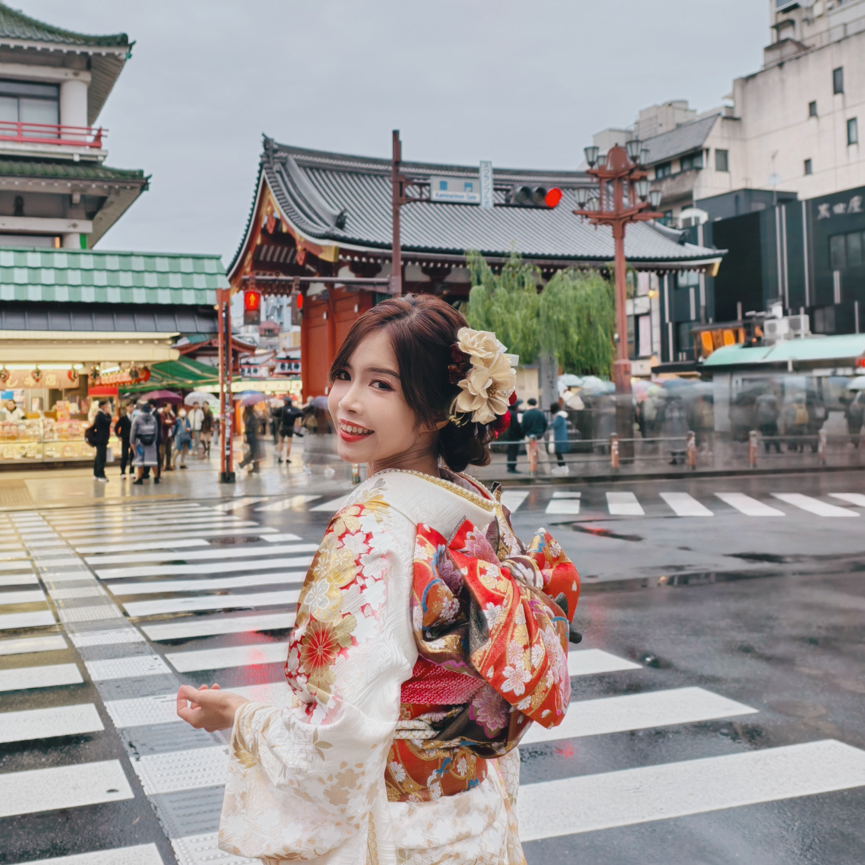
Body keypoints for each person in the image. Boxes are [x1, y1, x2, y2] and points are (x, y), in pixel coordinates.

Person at [175, 295, 580, 863]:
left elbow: (337, 738)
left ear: (440, 408)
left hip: (397, 833)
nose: (349, 402)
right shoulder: (475, 509)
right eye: (345, 376)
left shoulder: (372, 533)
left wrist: (240, 717)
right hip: (471, 819)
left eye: (382, 385)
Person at [130, 401, 161, 484]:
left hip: (140, 442)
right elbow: (156, 431)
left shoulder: (137, 418)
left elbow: (133, 431)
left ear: (141, 409)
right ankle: (156, 478)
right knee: (153, 461)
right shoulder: (153, 418)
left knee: (140, 461)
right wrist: (154, 440)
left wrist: (132, 442)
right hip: (151, 442)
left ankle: (139, 478)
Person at [91, 399, 112, 483]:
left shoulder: (100, 415)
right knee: (101, 458)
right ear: (102, 406)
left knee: (99, 457)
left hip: (101, 439)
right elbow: (107, 423)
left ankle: (96, 473)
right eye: (106, 405)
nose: (107, 407)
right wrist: (109, 415)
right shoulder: (100, 415)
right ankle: (100, 474)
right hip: (101, 439)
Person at [503, 394, 524, 473]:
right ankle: (512, 467)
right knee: (513, 452)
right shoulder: (514, 414)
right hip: (513, 436)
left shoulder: (508, 412)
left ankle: (510, 466)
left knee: (510, 451)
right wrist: (521, 434)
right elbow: (516, 426)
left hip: (509, 435)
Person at [277, 397, 302, 463]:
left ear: (286, 402)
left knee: (281, 442)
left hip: (283, 426)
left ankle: (280, 456)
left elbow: (275, 413)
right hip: (290, 427)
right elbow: (300, 413)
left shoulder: (282, 409)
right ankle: (287, 458)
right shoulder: (293, 409)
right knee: (289, 443)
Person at [238, 403, 262, 471]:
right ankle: (242, 464)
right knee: (254, 452)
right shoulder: (251, 415)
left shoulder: (247, 414)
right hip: (252, 435)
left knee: (255, 452)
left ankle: (256, 467)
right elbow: (254, 425)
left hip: (250, 435)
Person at [549, 402, 570, 475]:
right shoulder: (561, 416)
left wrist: (550, 423)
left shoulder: (559, 416)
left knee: (558, 453)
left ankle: (563, 467)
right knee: (558, 453)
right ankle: (562, 467)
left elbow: (554, 425)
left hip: (559, 437)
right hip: (561, 436)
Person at [115, 404, 134, 478]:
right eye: (129, 406)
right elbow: (116, 427)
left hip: (133, 439)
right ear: (126, 408)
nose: (131, 408)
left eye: (132, 406)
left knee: (133, 456)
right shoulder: (123, 418)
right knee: (125, 455)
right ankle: (122, 472)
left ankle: (132, 471)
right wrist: (119, 436)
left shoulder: (135, 418)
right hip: (125, 439)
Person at [159, 403, 176, 471]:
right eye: (169, 407)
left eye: (171, 407)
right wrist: (169, 423)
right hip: (163, 435)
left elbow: (174, 421)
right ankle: (161, 466)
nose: (170, 409)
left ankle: (168, 465)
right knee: (162, 452)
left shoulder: (170, 414)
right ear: (164, 407)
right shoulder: (161, 414)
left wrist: (170, 422)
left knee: (169, 451)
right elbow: (163, 424)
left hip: (169, 435)